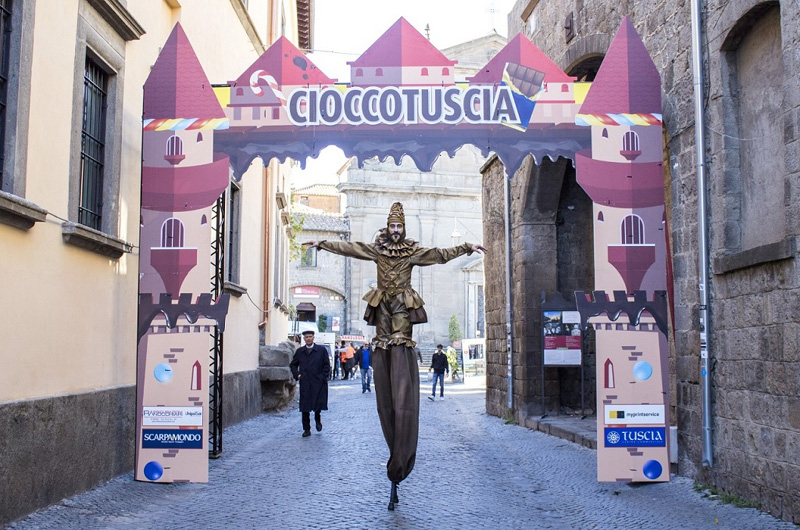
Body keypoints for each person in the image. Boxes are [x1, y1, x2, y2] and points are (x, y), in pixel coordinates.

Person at [305, 202, 485, 510]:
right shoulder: (377, 250)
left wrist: (467, 247)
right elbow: (350, 248)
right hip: (382, 309)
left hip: (402, 306)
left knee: (399, 341)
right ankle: (387, 367)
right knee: (383, 341)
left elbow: (439, 255)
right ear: (388, 228)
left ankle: (400, 383)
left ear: (404, 228)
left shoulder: (412, 252)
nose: (396, 230)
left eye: (400, 226)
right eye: (393, 226)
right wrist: (322, 243)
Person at [289, 330, 330, 437]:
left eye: (310, 336)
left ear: (313, 338)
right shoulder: (300, 351)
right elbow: (293, 365)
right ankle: (306, 429)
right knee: (305, 407)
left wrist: (323, 376)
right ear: (304, 339)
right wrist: (298, 375)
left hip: (318, 382)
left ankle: (317, 420)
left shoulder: (321, 350)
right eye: (306, 337)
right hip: (305, 382)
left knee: (317, 404)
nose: (308, 338)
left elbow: (326, 365)